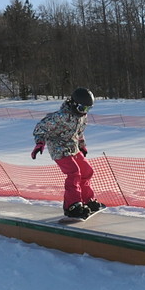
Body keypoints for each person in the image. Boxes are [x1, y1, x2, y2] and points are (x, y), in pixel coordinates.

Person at [31, 87, 106, 219]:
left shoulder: (82, 117)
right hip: (59, 148)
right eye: (83, 108)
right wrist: (40, 143)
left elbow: (79, 133)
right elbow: (40, 128)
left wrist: (82, 146)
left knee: (87, 171)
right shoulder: (60, 116)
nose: (85, 112)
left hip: (73, 147)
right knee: (74, 173)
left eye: (88, 109)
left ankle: (87, 200)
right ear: (74, 104)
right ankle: (72, 205)